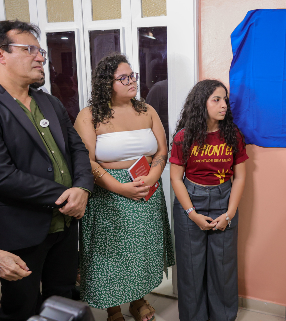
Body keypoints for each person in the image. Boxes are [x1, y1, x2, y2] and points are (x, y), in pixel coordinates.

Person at [0, 20, 93, 321]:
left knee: (63, 301)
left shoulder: (49, 102)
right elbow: (0, 175)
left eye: (41, 51)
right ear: (0, 54)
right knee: (21, 308)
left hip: (64, 224)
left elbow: (77, 150)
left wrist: (83, 188)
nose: (40, 57)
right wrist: (67, 194)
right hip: (18, 228)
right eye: (29, 49)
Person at [74, 54, 174, 321]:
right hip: (108, 195)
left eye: (133, 76)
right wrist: (120, 188)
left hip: (147, 192)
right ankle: (113, 308)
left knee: (141, 252)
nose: (132, 82)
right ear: (107, 83)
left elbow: (162, 150)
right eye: (124, 78)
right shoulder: (89, 116)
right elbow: (88, 162)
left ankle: (138, 299)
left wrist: (152, 177)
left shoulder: (147, 110)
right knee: (112, 254)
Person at [170, 79, 248, 321]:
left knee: (223, 267)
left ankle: (223, 317)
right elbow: (175, 179)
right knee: (191, 268)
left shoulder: (232, 135)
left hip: (224, 200)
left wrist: (229, 214)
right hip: (191, 200)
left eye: (224, 99)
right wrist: (192, 214)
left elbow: (241, 177)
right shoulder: (184, 137)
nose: (223, 104)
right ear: (201, 103)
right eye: (216, 99)